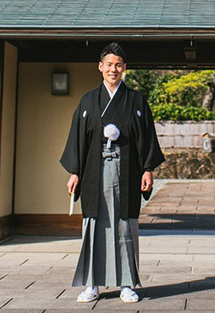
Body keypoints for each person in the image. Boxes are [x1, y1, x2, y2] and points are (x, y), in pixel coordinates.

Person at [60, 42, 165, 303]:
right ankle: (92, 284)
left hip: (127, 171)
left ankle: (127, 284)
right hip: (94, 171)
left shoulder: (136, 100)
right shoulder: (88, 101)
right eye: (108, 64)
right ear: (100, 67)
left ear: (125, 68)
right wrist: (75, 172)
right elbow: (78, 140)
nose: (113, 69)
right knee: (94, 225)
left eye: (118, 65)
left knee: (124, 226)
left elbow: (146, 138)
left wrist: (147, 169)